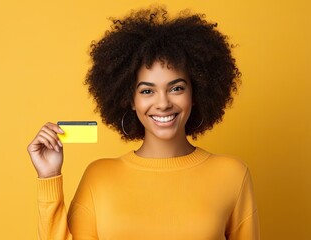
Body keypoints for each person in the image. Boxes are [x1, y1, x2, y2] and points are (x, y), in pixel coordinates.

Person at [27, 6, 260, 240]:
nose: (163, 103)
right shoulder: (98, 177)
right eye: (147, 91)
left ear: (195, 93)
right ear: (130, 100)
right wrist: (49, 176)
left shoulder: (232, 174)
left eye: (176, 88)